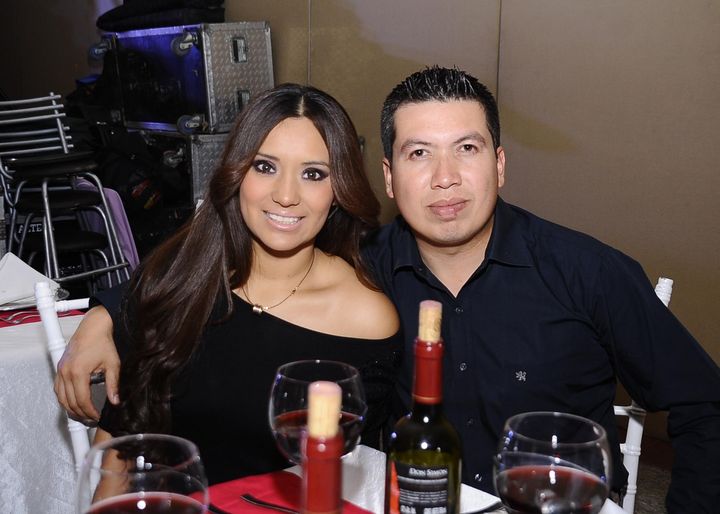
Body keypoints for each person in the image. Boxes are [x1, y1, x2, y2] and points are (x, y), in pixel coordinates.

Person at [56, 68, 720, 512]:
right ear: (389, 176)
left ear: (499, 164)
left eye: (467, 149)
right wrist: (104, 315)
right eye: (419, 153)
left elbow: (706, 408)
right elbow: (212, 266)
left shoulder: (588, 273)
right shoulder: (366, 270)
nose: (445, 178)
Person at [67, 83, 401, 485]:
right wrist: (101, 316)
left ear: (338, 190)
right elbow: (119, 452)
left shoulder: (364, 317)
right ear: (237, 173)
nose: (286, 195)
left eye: (313, 174)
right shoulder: (183, 278)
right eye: (265, 167)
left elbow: (351, 479)